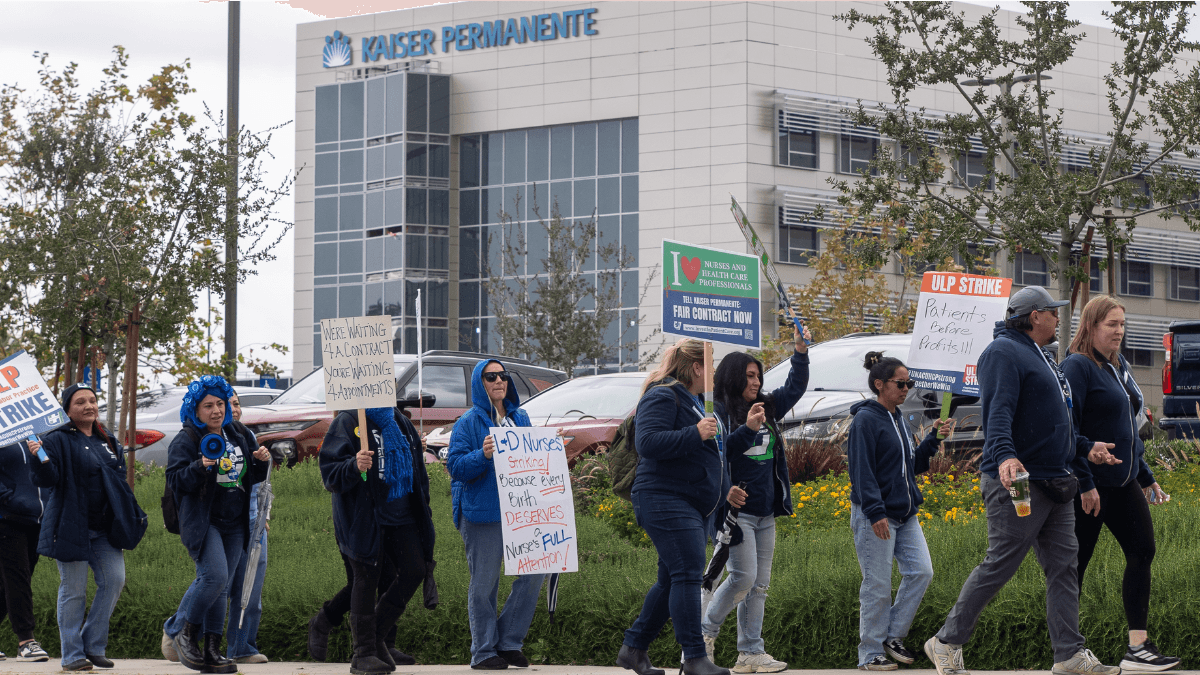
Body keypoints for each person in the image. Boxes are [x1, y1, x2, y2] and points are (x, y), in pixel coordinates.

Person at [924, 286, 1119, 675]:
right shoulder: (1002, 352)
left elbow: (1054, 425)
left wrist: (1085, 446)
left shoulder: (1041, 355)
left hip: (1056, 481)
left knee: (1064, 566)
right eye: (1053, 311)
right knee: (1001, 563)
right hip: (1019, 479)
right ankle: (945, 641)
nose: (1059, 317)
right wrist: (1006, 454)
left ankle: (1068, 655)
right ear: (1034, 316)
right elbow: (998, 412)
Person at [1062, 296, 1180, 672]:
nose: (1119, 331)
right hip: (1091, 485)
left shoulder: (1117, 366)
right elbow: (1069, 431)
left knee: (1143, 550)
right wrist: (1084, 482)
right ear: (1091, 326)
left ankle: (1138, 648)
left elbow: (1128, 429)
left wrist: (1145, 475)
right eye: (1111, 324)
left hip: (1123, 481)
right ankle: (1067, 652)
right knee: (1074, 568)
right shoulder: (1077, 367)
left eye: (1122, 325)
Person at [701, 328, 810, 673]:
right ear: (734, 378)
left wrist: (800, 352)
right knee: (743, 578)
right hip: (738, 514)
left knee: (759, 585)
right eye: (749, 375)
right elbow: (717, 453)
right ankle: (704, 633)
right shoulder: (720, 412)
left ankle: (750, 652)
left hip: (766, 511)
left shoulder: (767, 406)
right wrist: (746, 428)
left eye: (759, 375)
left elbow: (795, 387)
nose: (756, 381)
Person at [618, 338, 727, 675]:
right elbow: (647, 442)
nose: (715, 374)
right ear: (696, 367)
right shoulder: (663, 395)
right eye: (711, 366)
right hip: (664, 498)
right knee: (687, 574)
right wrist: (695, 432)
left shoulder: (694, 400)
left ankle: (634, 649)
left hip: (688, 502)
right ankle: (694, 658)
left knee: (670, 579)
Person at [847, 352, 952, 671]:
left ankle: (892, 636)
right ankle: (870, 653)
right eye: (901, 383)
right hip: (875, 515)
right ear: (879, 384)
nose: (907, 388)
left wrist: (934, 438)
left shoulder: (897, 418)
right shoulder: (866, 419)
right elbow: (861, 471)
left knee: (921, 571)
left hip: (905, 515)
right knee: (877, 585)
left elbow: (912, 466)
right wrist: (876, 512)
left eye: (910, 383)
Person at [317, 399, 436, 675]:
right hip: (364, 517)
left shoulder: (401, 422)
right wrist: (353, 466)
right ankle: (364, 654)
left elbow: (418, 473)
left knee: (414, 571)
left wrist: (424, 509)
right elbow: (329, 475)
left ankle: (376, 637)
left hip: (402, 515)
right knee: (366, 579)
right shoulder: (347, 420)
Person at [163, 375, 271, 675]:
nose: (216, 411)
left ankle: (212, 648)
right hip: (204, 521)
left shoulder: (238, 433)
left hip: (235, 522)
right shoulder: (187, 439)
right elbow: (175, 481)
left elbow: (253, 477)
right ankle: (184, 634)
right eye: (208, 405)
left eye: (220, 404)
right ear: (195, 410)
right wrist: (200, 466)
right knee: (214, 576)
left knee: (222, 587)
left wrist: (261, 460)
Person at [447, 359, 545, 670]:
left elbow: (531, 460)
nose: (499, 381)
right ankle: (484, 651)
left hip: (521, 509)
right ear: (480, 383)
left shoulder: (521, 416)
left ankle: (509, 641)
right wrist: (483, 454)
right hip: (483, 513)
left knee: (534, 574)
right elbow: (456, 467)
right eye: (491, 377)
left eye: (503, 376)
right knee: (485, 583)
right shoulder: (468, 422)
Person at [31, 383, 135, 671]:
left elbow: (117, 479)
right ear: (67, 410)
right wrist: (38, 455)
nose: (88, 406)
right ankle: (72, 655)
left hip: (105, 528)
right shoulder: (56, 439)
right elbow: (47, 479)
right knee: (74, 591)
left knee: (114, 580)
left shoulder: (108, 438)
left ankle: (93, 645)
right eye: (80, 402)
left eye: (92, 400)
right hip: (71, 526)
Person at [225, 392, 271, 664]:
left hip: (253, 521)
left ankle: (243, 647)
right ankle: (180, 631)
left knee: (251, 588)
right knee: (218, 584)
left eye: (236, 403)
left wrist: (264, 513)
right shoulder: (211, 439)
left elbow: (262, 481)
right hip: (226, 523)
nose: (233, 408)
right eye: (225, 403)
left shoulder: (247, 436)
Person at [0, 439, 50, 663]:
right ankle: (26, 642)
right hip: (8, 518)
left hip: (37, 518)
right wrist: (7, 498)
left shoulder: (35, 433)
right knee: (18, 578)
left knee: (11, 581)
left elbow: (48, 473)